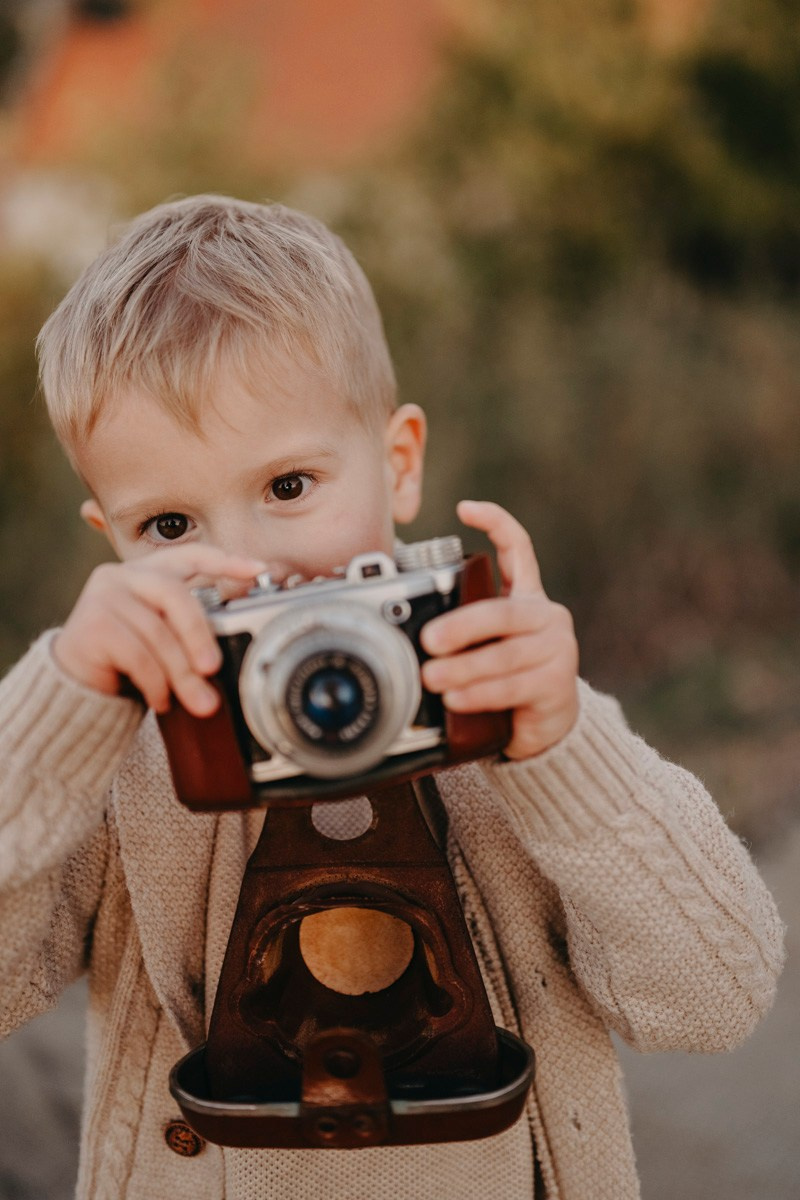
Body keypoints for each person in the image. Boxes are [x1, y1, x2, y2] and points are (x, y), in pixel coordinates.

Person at [0, 195, 784, 1200]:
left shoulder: (485, 700)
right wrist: (60, 709)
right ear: (105, 533)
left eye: (287, 487)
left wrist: (562, 752)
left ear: (398, 461)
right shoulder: (129, 752)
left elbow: (714, 997)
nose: (249, 564)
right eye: (168, 526)